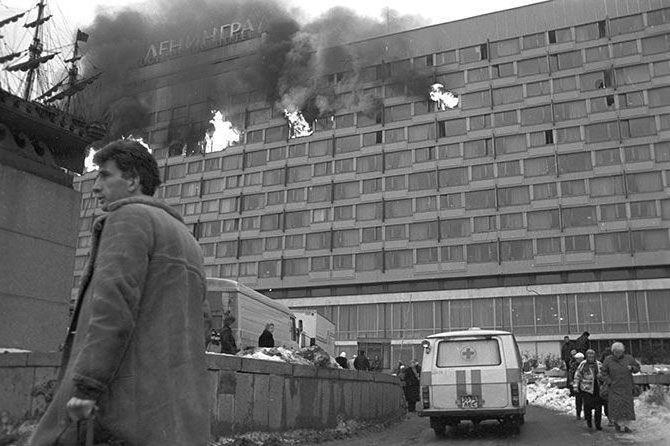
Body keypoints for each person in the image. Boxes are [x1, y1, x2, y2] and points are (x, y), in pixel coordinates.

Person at [29, 140, 211, 446]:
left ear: (133, 180)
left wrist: (86, 387)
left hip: (122, 411)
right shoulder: (187, 239)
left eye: (105, 176)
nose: (96, 187)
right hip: (172, 416)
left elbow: (113, 308)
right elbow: (197, 325)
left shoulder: (129, 218)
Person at [600, 342, 641, 433]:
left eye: (620, 352)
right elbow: (603, 372)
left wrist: (632, 368)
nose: (618, 354)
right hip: (614, 388)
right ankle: (617, 425)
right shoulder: (608, 360)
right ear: (613, 351)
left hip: (627, 387)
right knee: (616, 407)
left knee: (627, 407)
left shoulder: (629, 358)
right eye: (616, 352)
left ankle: (627, 426)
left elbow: (638, 368)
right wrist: (609, 381)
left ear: (623, 351)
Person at [574, 349, 604, 430]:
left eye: (592, 355)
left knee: (598, 408)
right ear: (586, 356)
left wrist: (601, 377)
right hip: (586, 389)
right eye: (589, 355)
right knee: (587, 407)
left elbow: (604, 374)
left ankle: (598, 424)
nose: (591, 357)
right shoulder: (583, 364)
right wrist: (576, 386)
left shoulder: (599, 364)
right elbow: (577, 375)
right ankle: (589, 422)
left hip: (597, 389)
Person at [569, 352, 585, 419]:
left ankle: (586, 414)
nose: (579, 360)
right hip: (577, 384)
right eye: (578, 359)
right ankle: (578, 414)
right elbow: (571, 374)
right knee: (578, 400)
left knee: (585, 400)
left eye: (581, 359)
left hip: (584, 384)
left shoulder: (585, 365)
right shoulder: (574, 365)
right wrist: (571, 381)